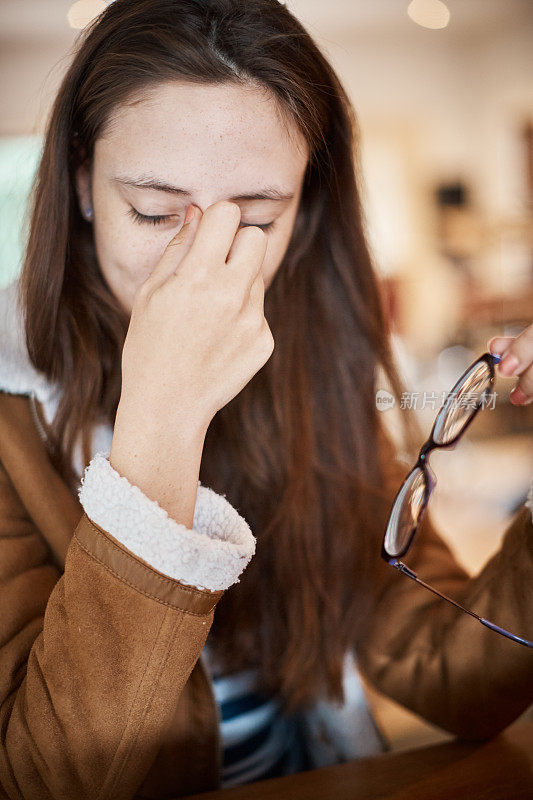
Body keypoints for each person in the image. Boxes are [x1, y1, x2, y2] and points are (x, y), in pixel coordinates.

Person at [0, 1, 531, 797]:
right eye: (152, 211)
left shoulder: (313, 361)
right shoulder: (13, 412)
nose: (205, 264)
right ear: (80, 180)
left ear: (303, 209)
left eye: (255, 216)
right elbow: (44, 777)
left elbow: (452, 670)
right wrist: (163, 422)